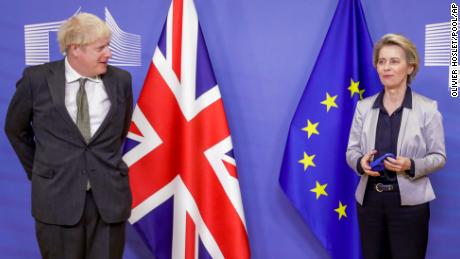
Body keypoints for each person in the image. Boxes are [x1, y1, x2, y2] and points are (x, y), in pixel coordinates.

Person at [4, 13, 133, 259]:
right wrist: (43, 171)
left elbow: (119, 132)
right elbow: (15, 129)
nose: (109, 53)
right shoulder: (37, 79)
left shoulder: (121, 81)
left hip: (108, 200)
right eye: (101, 48)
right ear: (75, 49)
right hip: (56, 199)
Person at [346, 33, 446, 259]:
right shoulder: (363, 107)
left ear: (410, 68)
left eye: (394, 61)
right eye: (381, 61)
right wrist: (360, 163)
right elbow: (351, 151)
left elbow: (439, 156)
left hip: (410, 206)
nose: (386, 68)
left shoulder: (428, 108)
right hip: (369, 202)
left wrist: (410, 164)